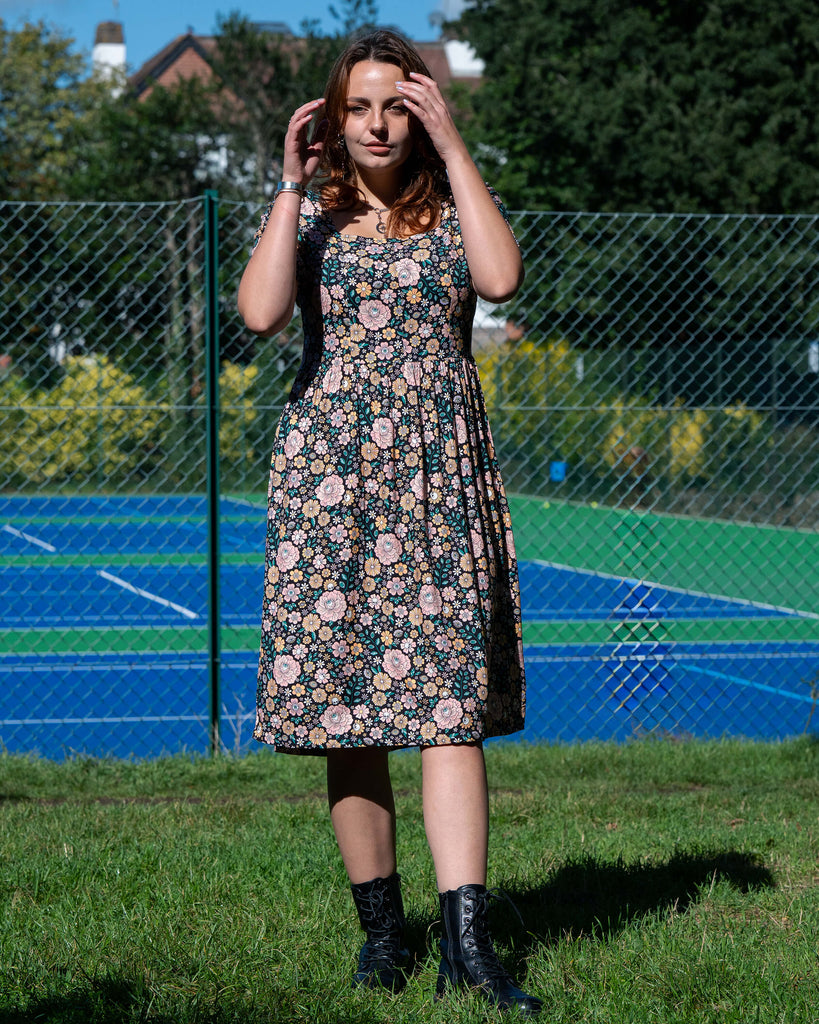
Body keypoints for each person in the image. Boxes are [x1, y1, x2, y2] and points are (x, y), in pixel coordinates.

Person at [238, 29, 541, 1018]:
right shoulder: (311, 218)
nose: (376, 124)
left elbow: (500, 281)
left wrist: (457, 150)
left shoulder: (453, 206)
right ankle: (384, 935)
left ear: (418, 111)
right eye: (358, 106)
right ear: (332, 115)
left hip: (438, 481)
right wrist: (288, 183)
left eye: (395, 106)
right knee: (348, 716)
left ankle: (469, 944)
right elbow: (260, 313)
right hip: (332, 490)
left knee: (448, 709)